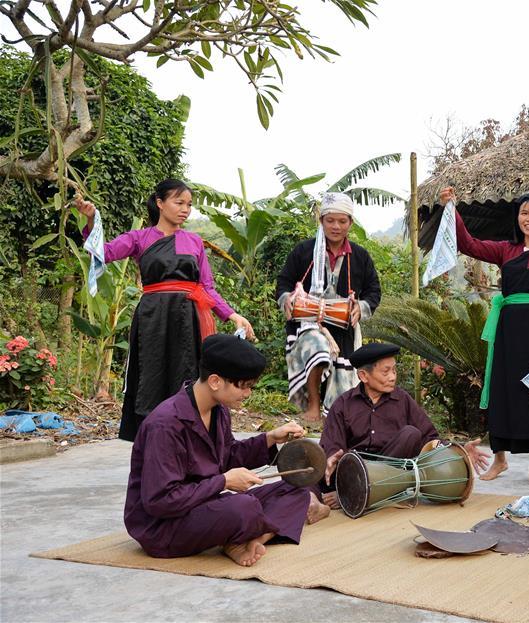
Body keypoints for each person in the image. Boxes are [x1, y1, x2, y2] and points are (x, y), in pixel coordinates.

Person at [124, 334, 330, 567]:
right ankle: (241, 535)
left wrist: (271, 439)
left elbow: (228, 455)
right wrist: (223, 482)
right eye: (244, 386)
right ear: (215, 381)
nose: (248, 394)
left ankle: (251, 539)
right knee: (243, 507)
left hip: (205, 506)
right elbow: (160, 501)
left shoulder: (219, 411)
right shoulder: (165, 424)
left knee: (294, 488)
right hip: (162, 527)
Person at [77, 180, 254, 441]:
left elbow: (207, 287)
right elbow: (103, 252)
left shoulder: (194, 242)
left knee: (188, 375)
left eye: (189, 205)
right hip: (152, 318)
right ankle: (153, 438)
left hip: (187, 318)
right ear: (160, 203)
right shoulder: (140, 238)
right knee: (151, 375)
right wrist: (92, 220)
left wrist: (232, 314)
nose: (185, 209)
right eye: (178, 202)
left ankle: (189, 438)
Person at [437, 187, 529, 486]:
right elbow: (468, 243)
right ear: (517, 218)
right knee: (504, 391)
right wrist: (451, 208)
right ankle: (500, 461)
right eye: (524, 212)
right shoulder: (506, 250)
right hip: (509, 331)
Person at [319, 342, 491, 509]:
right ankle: (354, 489)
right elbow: (332, 445)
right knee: (308, 470)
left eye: (394, 370)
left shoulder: (402, 400)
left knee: (411, 434)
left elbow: (429, 437)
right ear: (364, 376)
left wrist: (457, 450)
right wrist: (332, 458)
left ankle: (355, 494)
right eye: (386, 372)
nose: (393, 377)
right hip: (356, 470)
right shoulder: (343, 404)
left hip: (392, 472)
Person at [275, 192, 381, 422]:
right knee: (318, 350)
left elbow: (374, 291)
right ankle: (313, 406)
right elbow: (284, 281)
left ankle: (333, 416)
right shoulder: (304, 251)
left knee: (342, 378)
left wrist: (360, 308)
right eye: (330, 220)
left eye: (342, 221)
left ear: (350, 223)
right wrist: (288, 298)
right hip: (308, 324)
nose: (336, 226)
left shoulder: (360, 256)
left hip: (343, 328)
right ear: (321, 221)